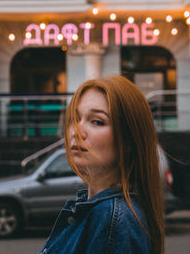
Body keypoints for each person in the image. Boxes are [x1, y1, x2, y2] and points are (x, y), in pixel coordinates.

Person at [40, 75, 165, 254]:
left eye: (97, 121)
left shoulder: (113, 220)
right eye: (75, 119)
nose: (77, 131)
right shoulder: (99, 211)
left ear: (128, 140)